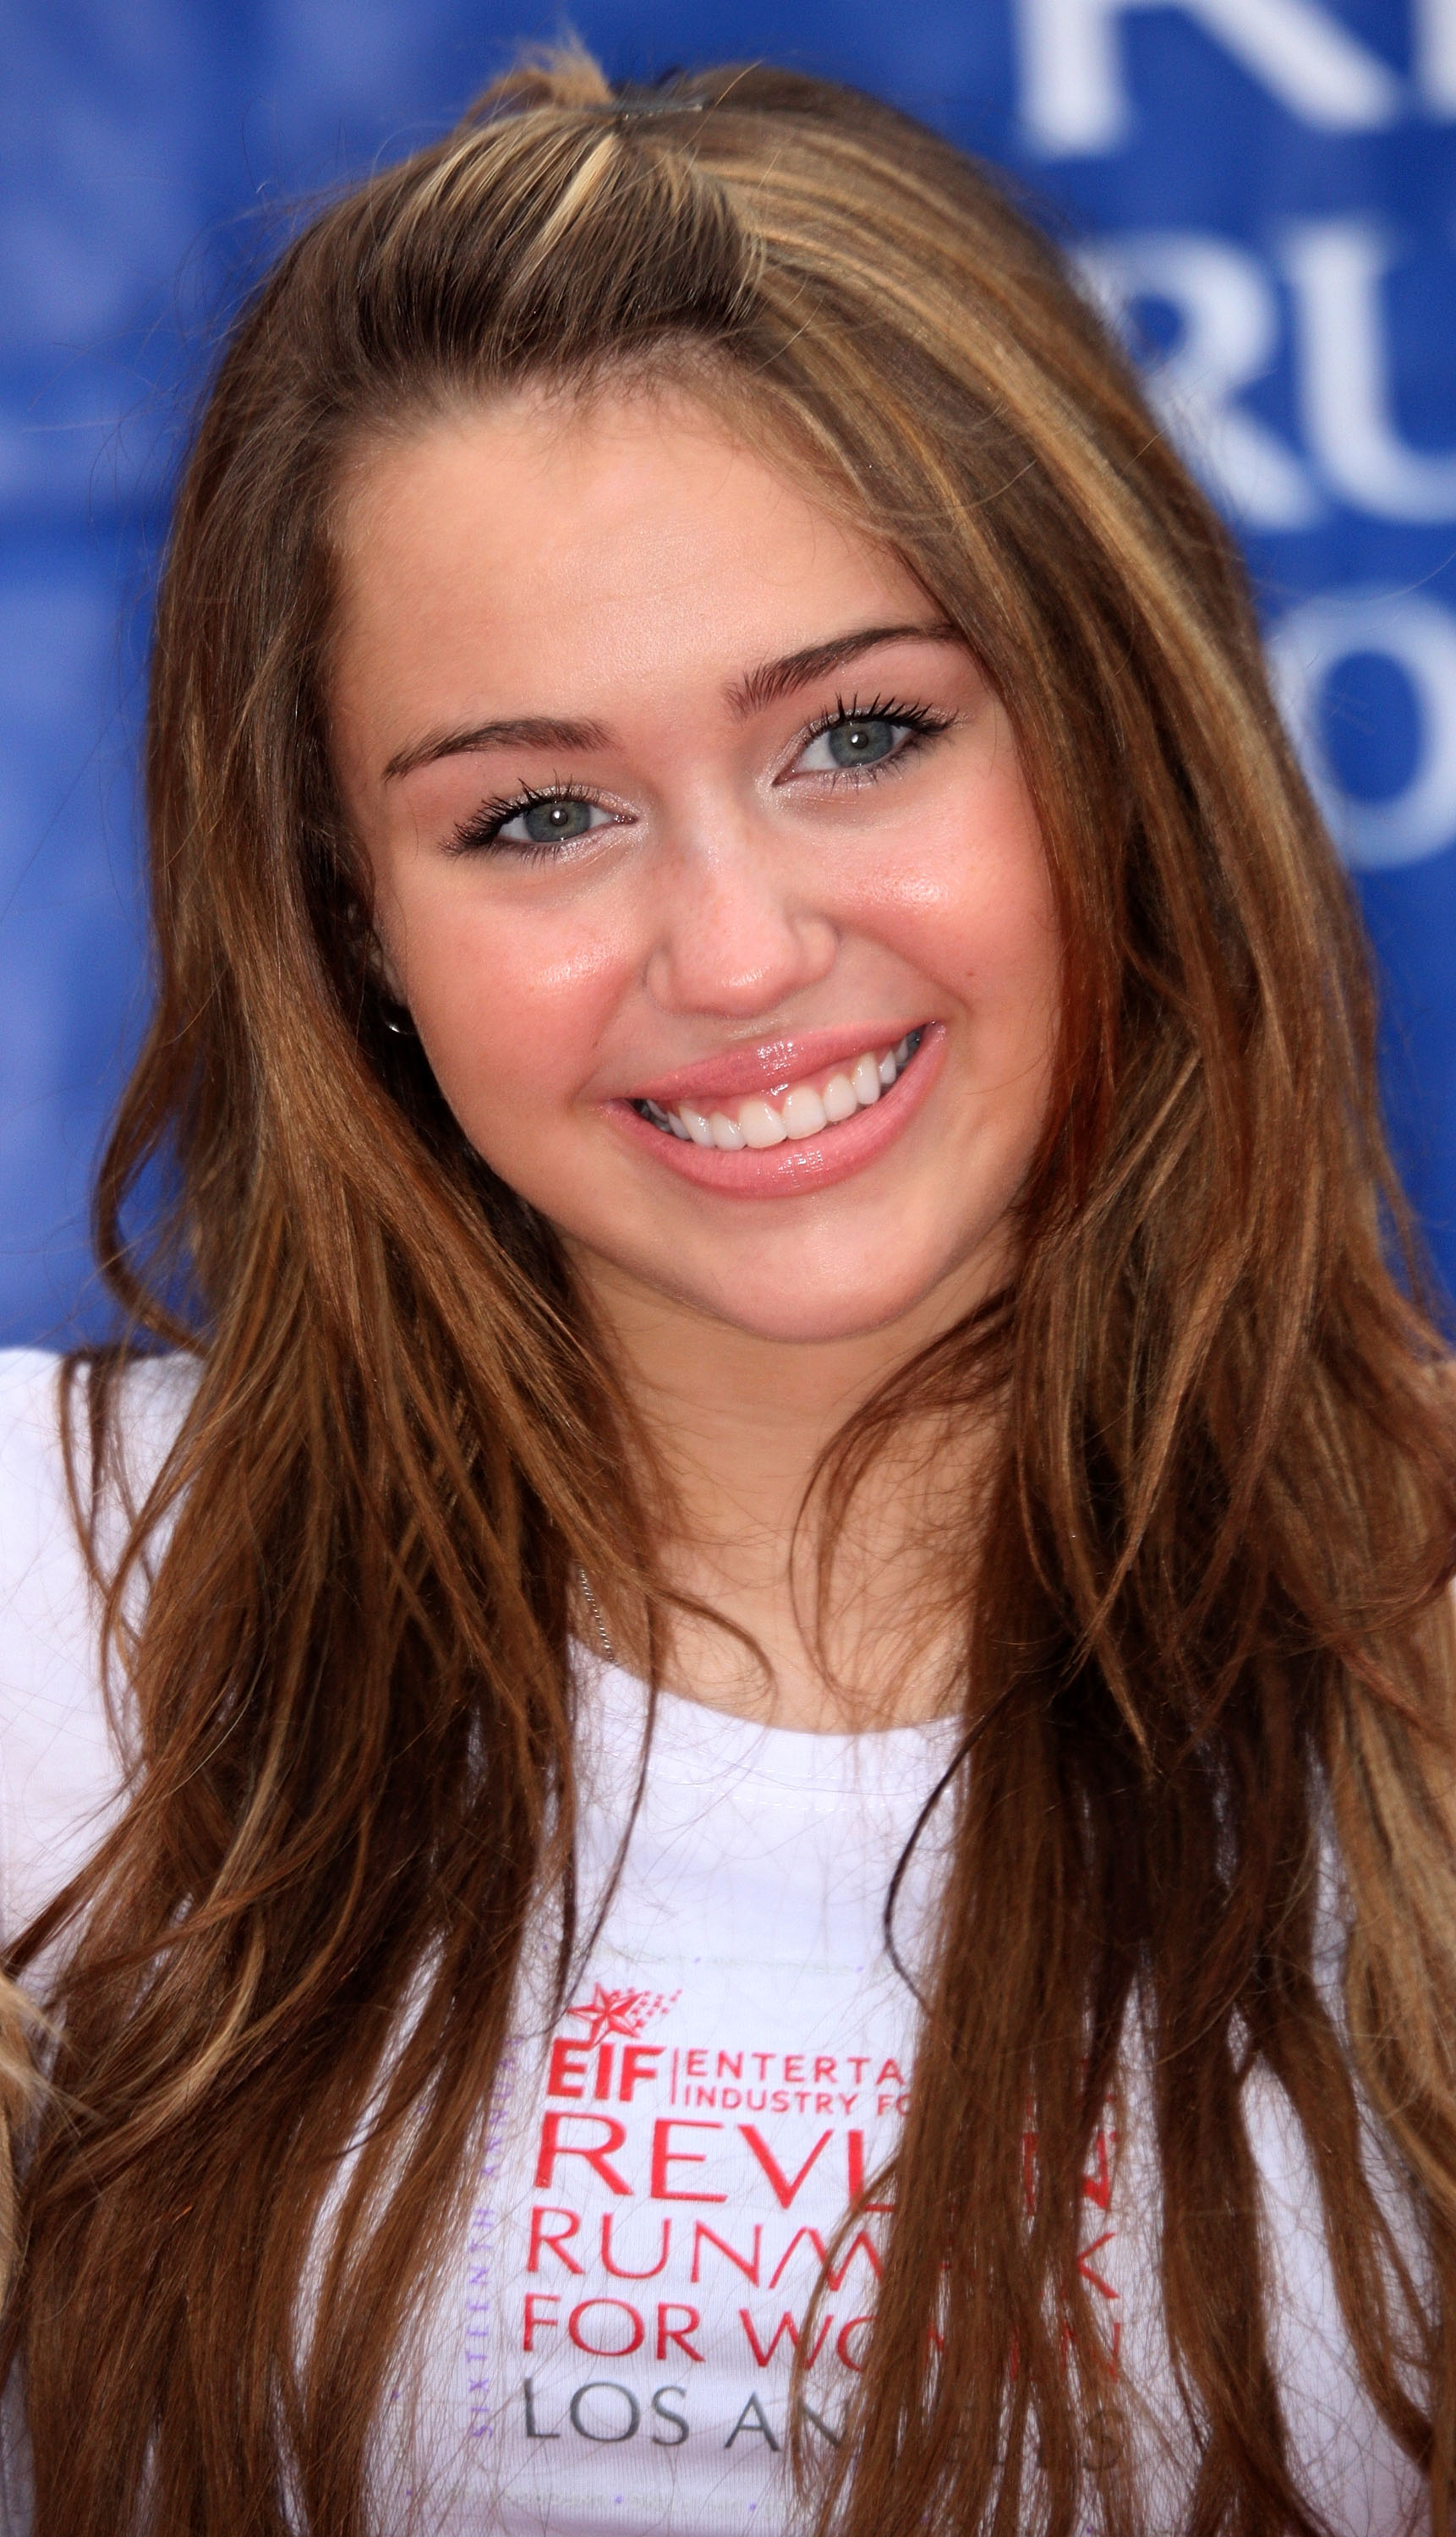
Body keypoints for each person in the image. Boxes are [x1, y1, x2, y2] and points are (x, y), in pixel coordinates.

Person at [0, 40, 1453, 2537]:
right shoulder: (49, 1611)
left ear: (1119, 742)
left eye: (859, 736)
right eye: (537, 813)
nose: (738, 951)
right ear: (350, 919)